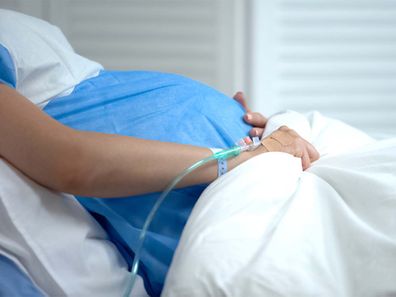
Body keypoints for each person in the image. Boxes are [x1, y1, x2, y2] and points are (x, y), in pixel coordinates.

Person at [0, 9, 319, 297]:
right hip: (224, 206)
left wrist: (255, 137)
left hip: (265, 168)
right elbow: (68, 161)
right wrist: (243, 159)